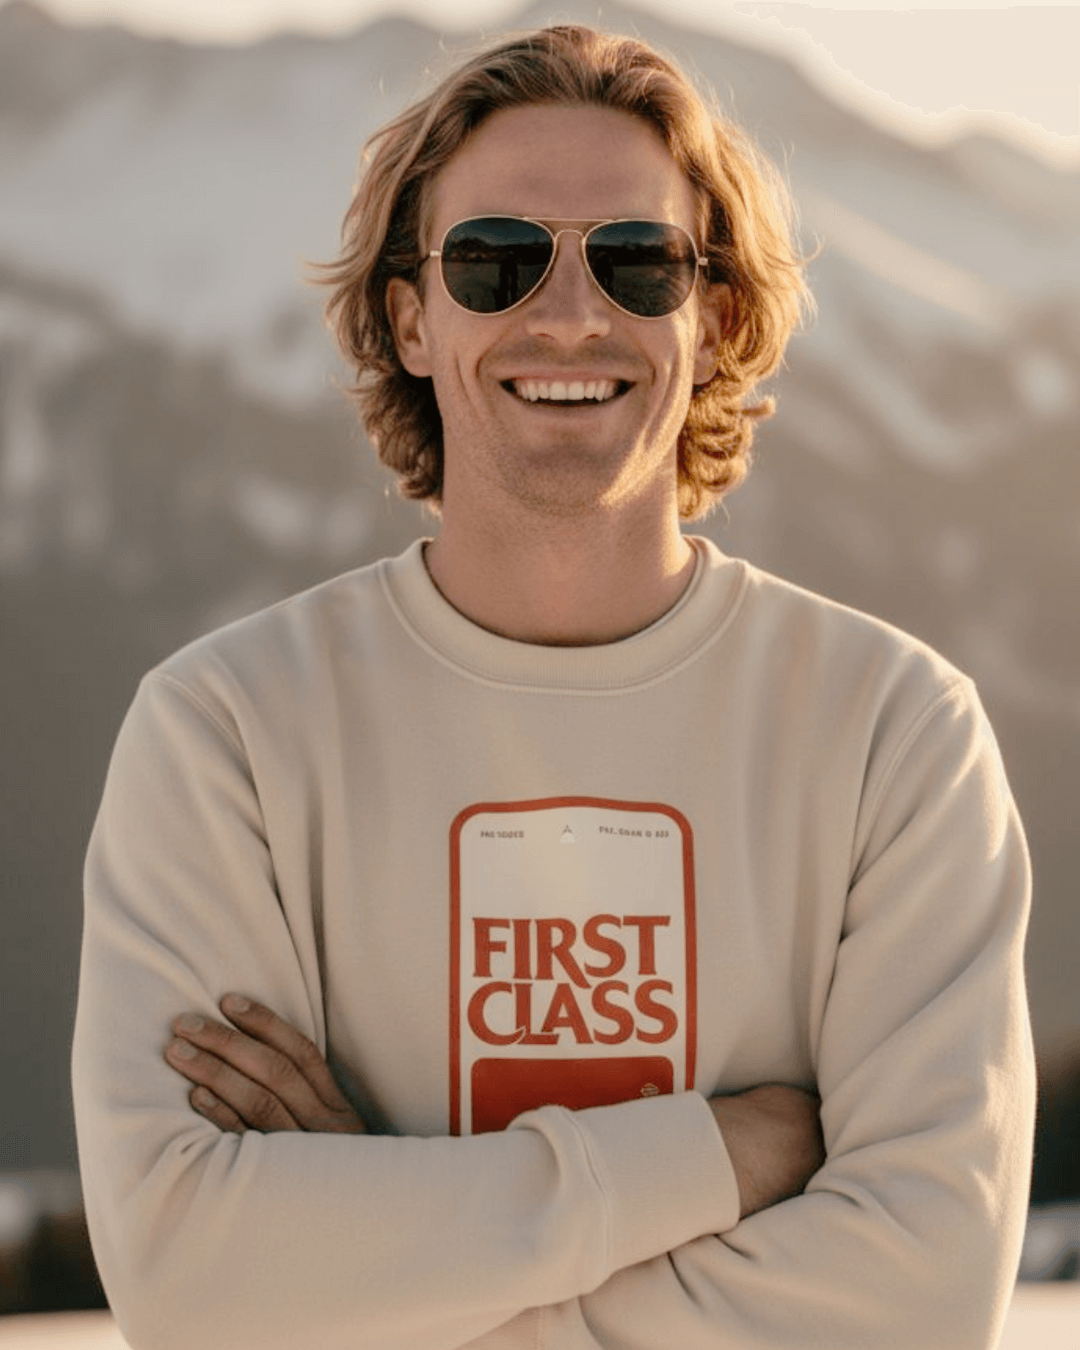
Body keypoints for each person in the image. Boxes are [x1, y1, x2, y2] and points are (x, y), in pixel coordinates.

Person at [72, 23, 1035, 1350]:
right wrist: (719, 1156)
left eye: (639, 262)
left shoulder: (895, 734)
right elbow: (185, 1281)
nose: (571, 313)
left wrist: (378, 1258)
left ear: (715, 317)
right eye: (495, 259)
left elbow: (923, 1299)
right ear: (412, 319)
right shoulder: (226, 733)